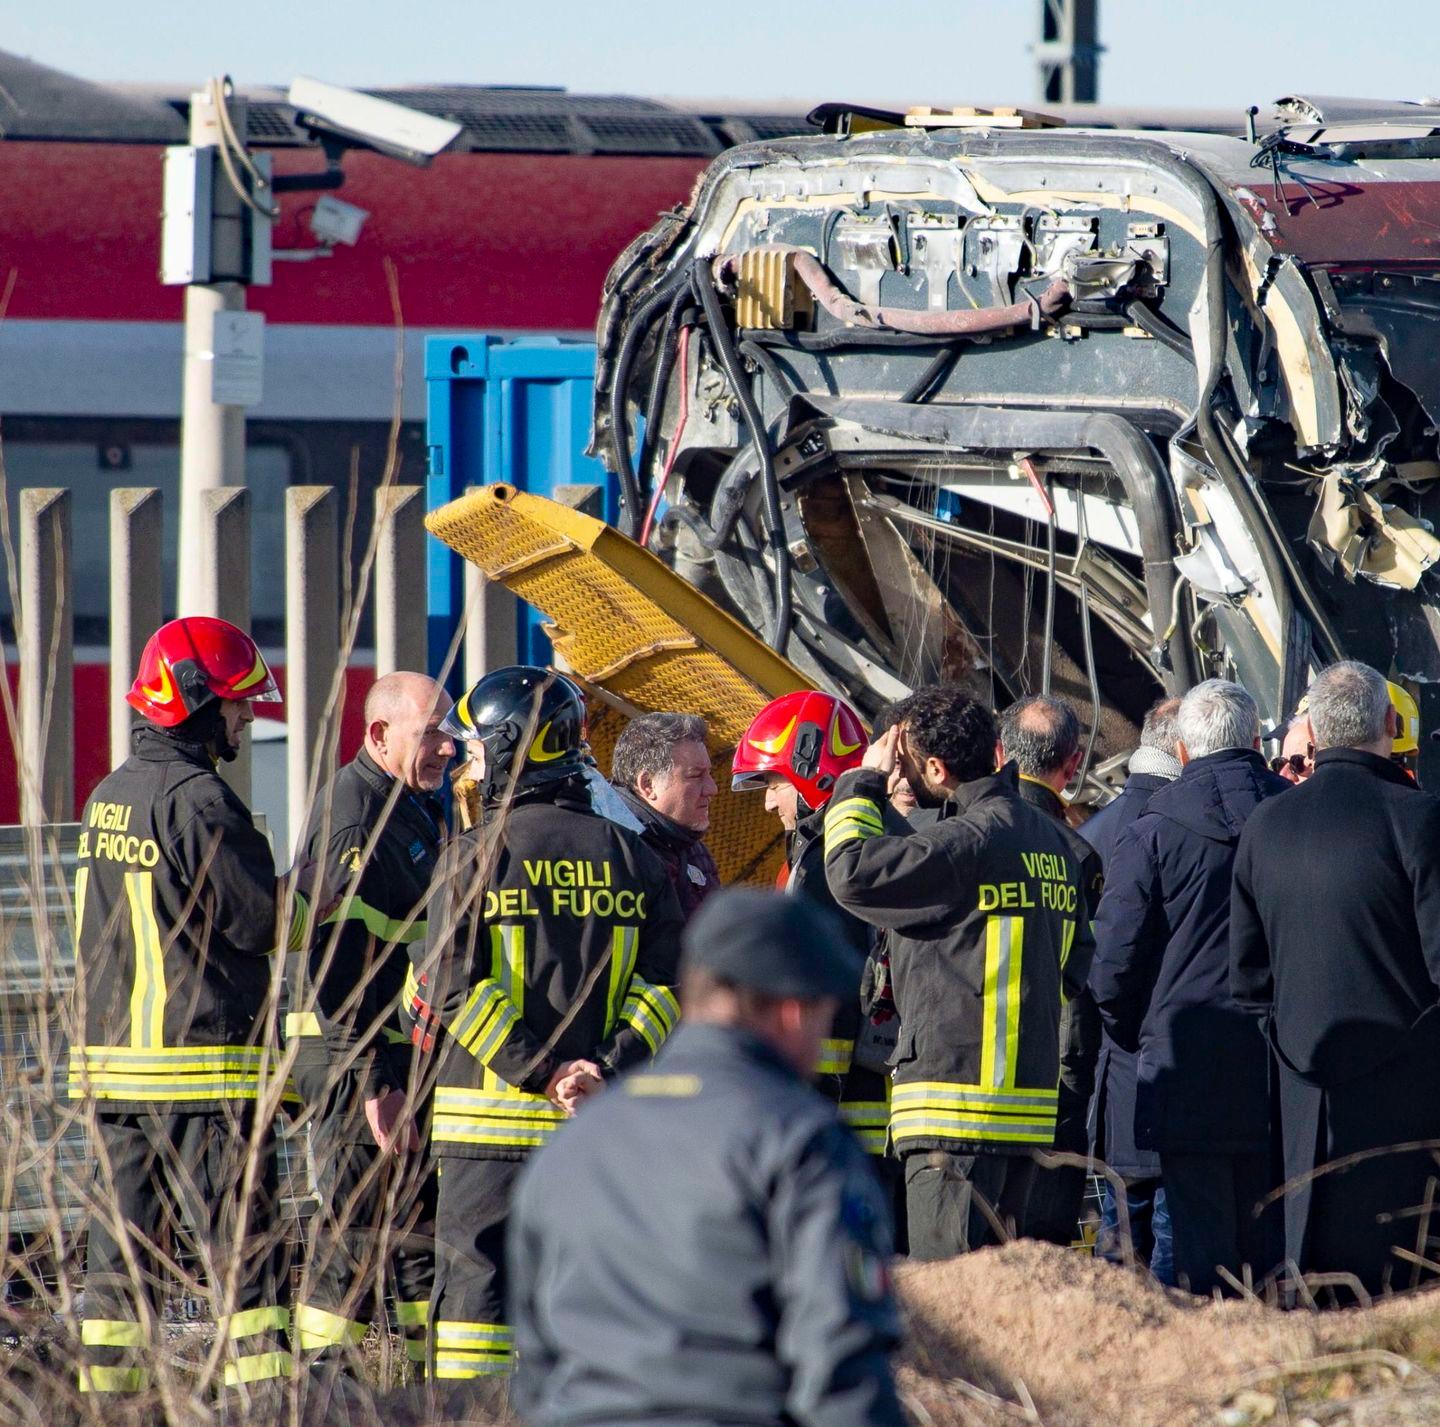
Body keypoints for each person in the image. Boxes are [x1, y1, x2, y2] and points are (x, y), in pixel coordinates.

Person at [509, 889, 905, 1427]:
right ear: (793, 1010)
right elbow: (844, 1368)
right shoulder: (800, 1141)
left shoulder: (575, 1147)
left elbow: (535, 1366)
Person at [407, 666, 684, 1384]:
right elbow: (666, 992)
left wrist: (543, 1072)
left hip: (486, 1140)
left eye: (475, 750)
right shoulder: (637, 859)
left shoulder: (469, 858)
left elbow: (451, 990)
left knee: (476, 1316)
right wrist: (602, 1069)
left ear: (510, 751)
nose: (466, 767)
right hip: (599, 1138)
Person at [68, 616, 304, 1399]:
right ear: (197, 702)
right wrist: (319, 899)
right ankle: (265, 1406)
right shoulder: (203, 802)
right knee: (246, 1258)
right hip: (202, 1075)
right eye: (237, 704)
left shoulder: (110, 795)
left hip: (113, 1077)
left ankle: (108, 1407)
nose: (246, 717)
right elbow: (260, 923)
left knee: (119, 1266)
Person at [824, 685, 1092, 1257]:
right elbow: (1075, 966)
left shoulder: (964, 843)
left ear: (937, 767)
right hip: (1028, 1118)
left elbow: (849, 873)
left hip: (954, 1115)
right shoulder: (1051, 842)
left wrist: (861, 781)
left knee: (954, 1311)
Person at [1231, 661, 1440, 1298]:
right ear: (1389, 724)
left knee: (1308, 1286)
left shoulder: (1265, 825)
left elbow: (1247, 978)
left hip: (1299, 1100)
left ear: (1314, 736)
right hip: (1407, 1101)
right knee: (1404, 1285)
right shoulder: (1418, 818)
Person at [1090, 680, 1287, 1296]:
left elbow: (1113, 964)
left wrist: (1140, 1036)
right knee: (1274, 1253)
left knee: (1200, 1260)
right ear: (1257, 740)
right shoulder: (1291, 816)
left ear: (1180, 752)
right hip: (1284, 1067)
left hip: (1184, 1063)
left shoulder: (1152, 829)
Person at [287, 671, 453, 1378]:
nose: (448, 747)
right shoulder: (357, 818)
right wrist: (376, 1081)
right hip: (356, 1059)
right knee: (354, 1224)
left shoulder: (407, 806)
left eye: (450, 730)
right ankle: (322, 1380)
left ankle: (422, 1382)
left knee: (415, 1222)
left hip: (393, 1057)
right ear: (380, 735)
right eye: (432, 732)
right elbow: (338, 965)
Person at [732, 690, 893, 1159]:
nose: (766, 803)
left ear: (812, 776)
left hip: (837, 1109)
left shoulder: (825, 864)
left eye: (773, 785)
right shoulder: (858, 848)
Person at [1078, 695, 1182, 1284]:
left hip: (1110, 1076)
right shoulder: (1178, 827)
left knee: (1117, 1252)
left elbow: (1098, 974)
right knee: (1168, 1246)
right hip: (1171, 1066)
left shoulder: (1092, 834)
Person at [997, 695, 1105, 1248]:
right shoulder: (1077, 854)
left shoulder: (968, 835)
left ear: (1000, 755)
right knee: (1044, 1240)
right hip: (1053, 1070)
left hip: (973, 1067)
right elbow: (1079, 977)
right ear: (1073, 762)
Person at [610, 712, 721, 920]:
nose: (712, 788)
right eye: (695, 776)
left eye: (709, 774)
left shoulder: (692, 850)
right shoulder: (614, 854)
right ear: (648, 785)